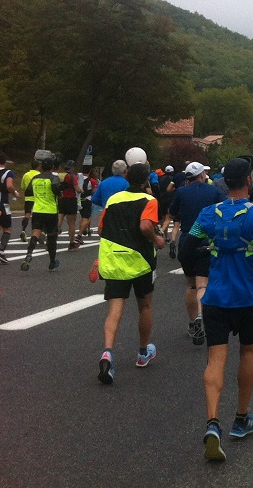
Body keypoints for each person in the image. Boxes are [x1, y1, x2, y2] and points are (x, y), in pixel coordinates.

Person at [179, 157, 253, 462]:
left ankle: (213, 423)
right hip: (249, 296)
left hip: (215, 296)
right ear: (249, 181)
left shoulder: (208, 213)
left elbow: (186, 251)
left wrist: (208, 253)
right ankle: (241, 419)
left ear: (225, 182)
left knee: (215, 358)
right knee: (249, 351)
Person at [93, 163, 164, 383]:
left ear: (126, 177)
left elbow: (101, 229)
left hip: (114, 258)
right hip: (140, 260)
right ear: (146, 181)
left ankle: (107, 353)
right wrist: (156, 239)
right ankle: (143, 352)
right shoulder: (149, 201)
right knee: (145, 305)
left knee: (115, 310)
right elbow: (145, 226)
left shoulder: (113, 199)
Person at [161, 161, 221, 345]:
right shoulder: (213, 191)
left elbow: (172, 212)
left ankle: (192, 320)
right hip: (207, 239)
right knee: (203, 282)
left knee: (191, 284)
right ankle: (202, 316)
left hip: (187, 239)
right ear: (202, 175)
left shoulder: (181, 191)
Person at [22, 156, 62, 271]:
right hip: (50, 210)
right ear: (52, 166)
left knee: (35, 232)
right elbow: (55, 187)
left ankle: (29, 254)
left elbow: (28, 191)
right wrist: (59, 194)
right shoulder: (54, 178)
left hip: (38, 210)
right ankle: (52, 262)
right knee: (51, 236)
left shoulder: (35, 178)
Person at [0, 154, 17, 264]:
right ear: (5, 161)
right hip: (2, 202)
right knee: (7, 228)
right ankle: (1, 251)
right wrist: (15, 193)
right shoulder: (8, 172)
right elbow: (9, 186)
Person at [58, 160, 83, 249]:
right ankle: (71, 243)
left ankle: (52, 237)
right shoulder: (72, 177)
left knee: (59, 218)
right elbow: (77, 189)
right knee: (71, 223)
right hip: (71, 200)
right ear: (72, 167)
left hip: (61, 199)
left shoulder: (60, 175)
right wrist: (81, 190)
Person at [19, 159, 40, 241]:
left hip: (28, 198)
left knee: (27, 215)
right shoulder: (39, 174)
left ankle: (23, 230)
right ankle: (35, 233)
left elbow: (23, 187)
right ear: (38, 166)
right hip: (38, 198)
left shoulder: (26, 175)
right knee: (36, 217)